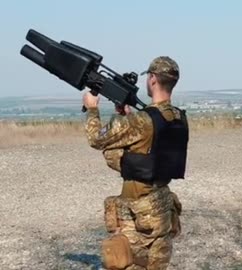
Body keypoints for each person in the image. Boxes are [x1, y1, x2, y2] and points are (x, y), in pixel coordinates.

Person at [82, 56, 189, 270]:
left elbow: (96, 139)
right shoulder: (178, 117)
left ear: (152, 79)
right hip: (162, 206)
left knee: (122, 262)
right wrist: (125, 117)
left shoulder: (142, 120)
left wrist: (92, 109)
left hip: (139, 210)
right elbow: (149, 150)